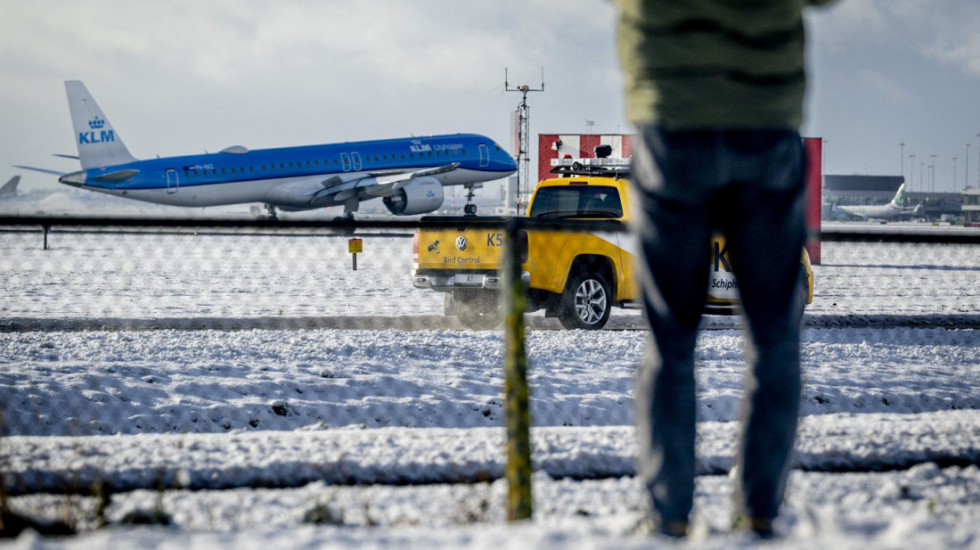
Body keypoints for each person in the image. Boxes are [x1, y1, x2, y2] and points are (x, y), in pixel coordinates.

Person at [616, 0, 834, 539]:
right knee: (775, 339)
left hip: (673, 119)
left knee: (670, 341)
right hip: (766, 120)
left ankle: (668, 517)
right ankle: (759, 512)